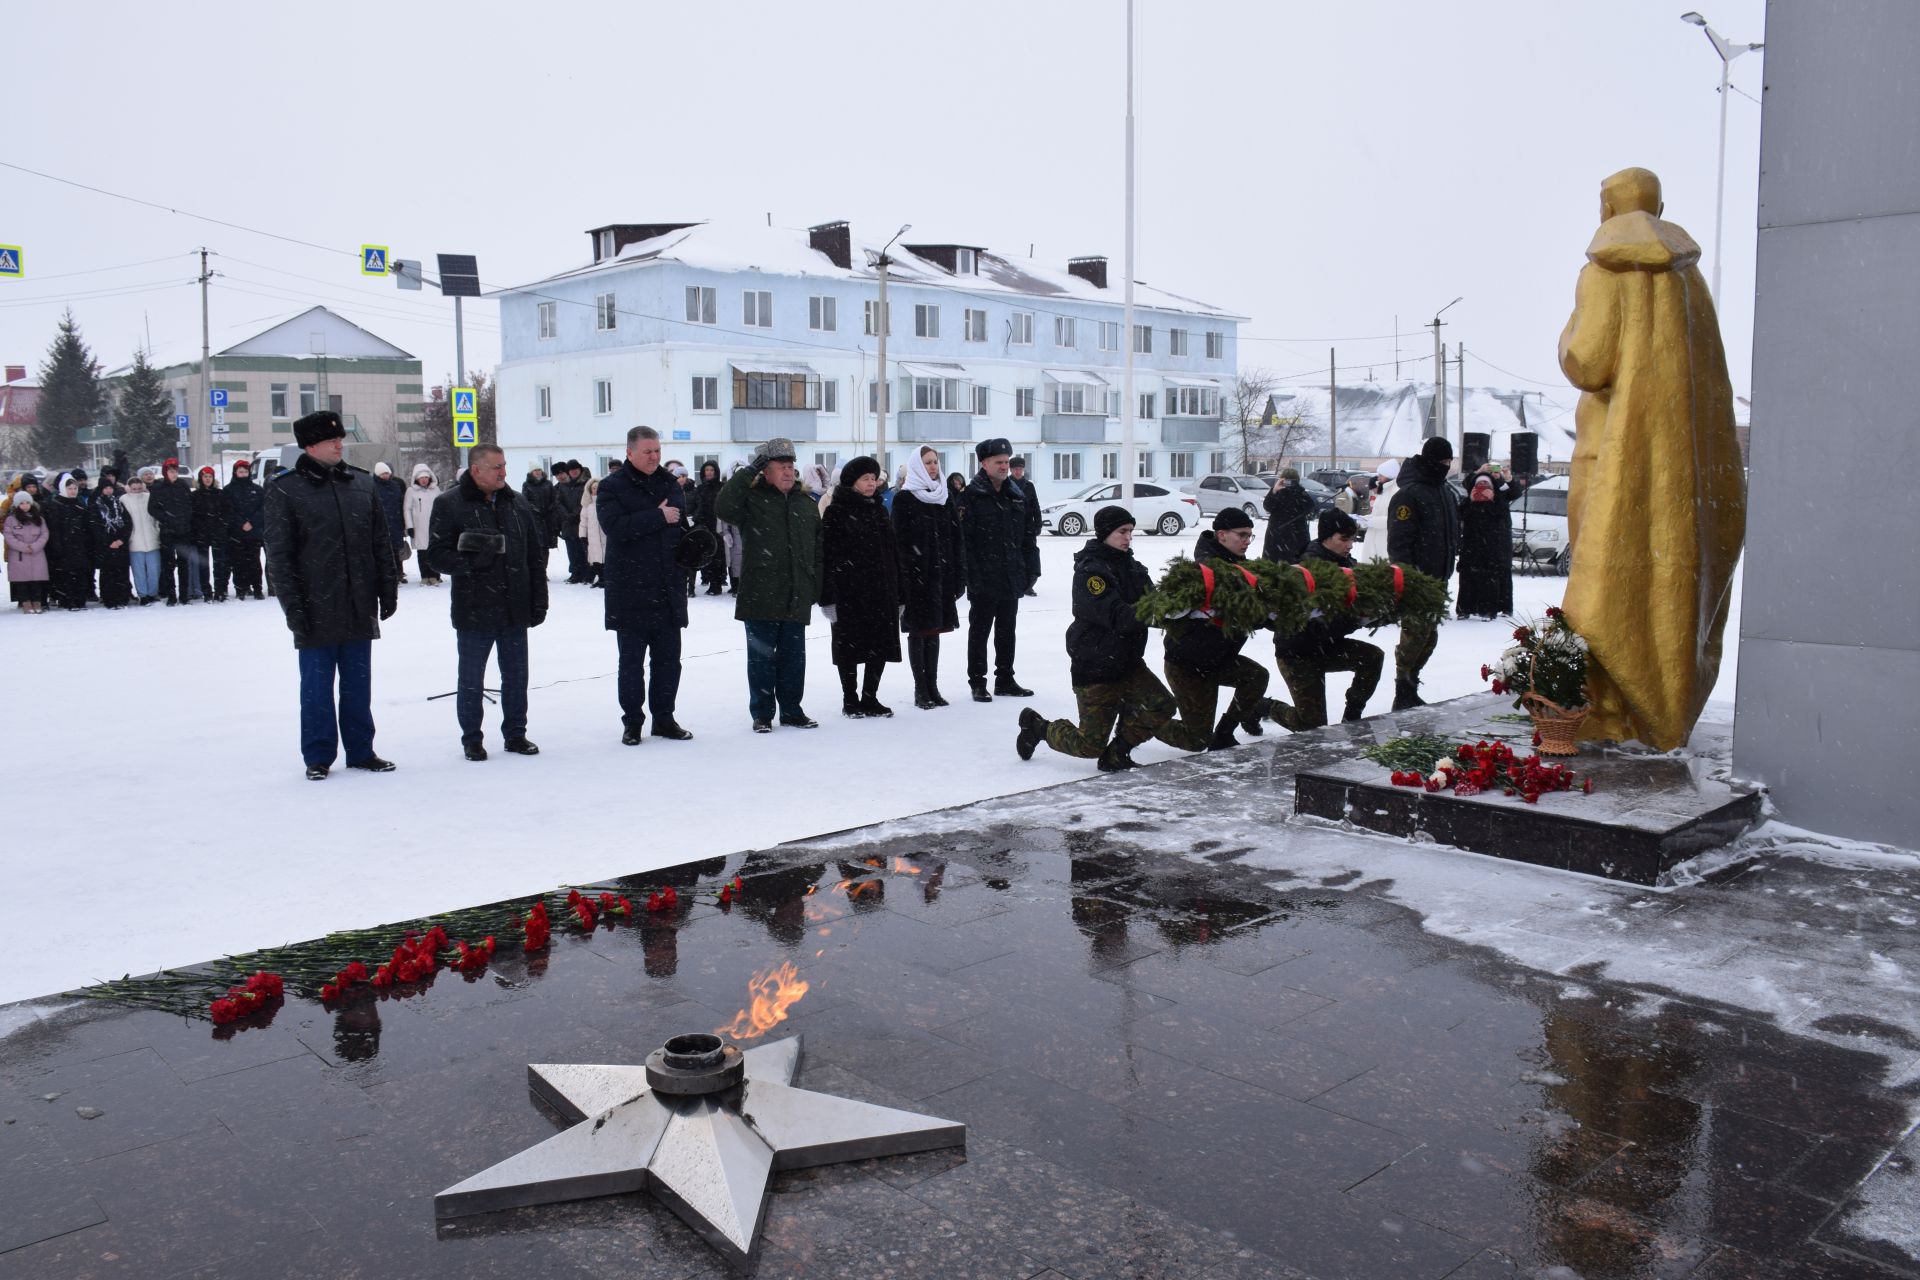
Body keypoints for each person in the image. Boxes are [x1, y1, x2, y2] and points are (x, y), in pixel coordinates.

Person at [1558, 165, 1746, 750]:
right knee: (1665, 574)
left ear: (1607, 210)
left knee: (1605, 580)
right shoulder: (1689, 283)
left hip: (1608, 454)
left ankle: (1609, 710)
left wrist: (1564, 337)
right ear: (1659, 210)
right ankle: (1659, 708)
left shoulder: (1602, 271)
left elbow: (1587, 362)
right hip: (1673, 467)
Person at [1014, 506, 1210, 771]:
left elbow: (1153, 602)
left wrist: (1187, 610)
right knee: (1089, 745)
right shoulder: (1091, 573)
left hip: (1128, 662)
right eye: (1122, 531)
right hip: (1096, 665)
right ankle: (1039, 727)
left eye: (1130, 531)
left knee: (1162, 705)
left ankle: (1118, 751)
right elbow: (1117, 615)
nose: (1128, 537)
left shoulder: (1133, 567)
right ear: (1105, 533)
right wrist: (1156, 609)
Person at [263, 410, 400, 781]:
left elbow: (379, 543)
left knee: (358, 685)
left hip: (358, 603)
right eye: (331, 440)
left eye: (340, 439)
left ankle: (361, 750)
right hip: (314, 605)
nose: (340, 444)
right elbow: (280, 556)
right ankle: (319, 755)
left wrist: (387, 589)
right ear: (310, 446)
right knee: (316, 688)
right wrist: (293, 607)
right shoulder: (286, 489)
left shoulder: (361, 484)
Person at [427, 444, 548, 761]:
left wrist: (539, 600)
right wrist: (471, 562)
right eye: (496, 467)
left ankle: (516, 734)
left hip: (514, 606)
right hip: (474, 608)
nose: (503, 472)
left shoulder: (516, 502)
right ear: (476, 469)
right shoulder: (449, 504)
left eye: (504, 466)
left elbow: (535, 556)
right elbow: (436, 555)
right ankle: (472, 740)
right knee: (471, 680)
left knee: (516, 676)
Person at [1162, 508, 1297, 749]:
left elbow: (1257, 616)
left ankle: (1224, 732)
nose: (1247, 541)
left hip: (1220, 659)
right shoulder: (1200, 572)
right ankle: (1139, 717)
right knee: (1196, 740)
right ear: (1222, 534)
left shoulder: (1242, 569)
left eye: (1250, 536)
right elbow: (1164, 610)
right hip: (1187, 664)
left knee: (1255, 676)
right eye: (1242, 535)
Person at [714, 436, 823, 732]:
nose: (788, 471)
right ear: (766, 470)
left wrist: (816, 586)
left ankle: (791, 710)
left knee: (793, 660)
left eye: (790, 466)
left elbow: (818, 549)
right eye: (780, 466)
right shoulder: (752, 499)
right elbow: (723, 506)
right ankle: (762, 714)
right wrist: (750, 470)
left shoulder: (805, 502)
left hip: (796, 593)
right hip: (760, 593)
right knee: (761, 659)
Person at [598, 426, 695, 744]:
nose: (654, 456)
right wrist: (656, 516)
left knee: (669, 662)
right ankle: (633, 722)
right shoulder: (612, 486)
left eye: (657, 451)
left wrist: (695, 548)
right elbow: (615, 527)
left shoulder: (670, 483)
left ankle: (664, 718)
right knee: (630, 664)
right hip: (630, 589)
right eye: (647, 451)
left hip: (667, 587)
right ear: (630, 453)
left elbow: (678, 525)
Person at [1275, 509, 1386, 727]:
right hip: (1297, 652)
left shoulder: (1346, 564)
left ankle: (1352, 716)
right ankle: (1265, 707)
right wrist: (1357, 619)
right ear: (1326, 538)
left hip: (1327, 647)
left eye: (1352, 539)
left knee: (1372, 657)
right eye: (1344, 539)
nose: (1350, 545)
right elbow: (1317, 626)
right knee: (1311, 727)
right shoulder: (1307, 571)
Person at [819, 457, 902, 718]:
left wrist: (899, 593)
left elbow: (892, 553)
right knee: (850, 648)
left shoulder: (879, 509)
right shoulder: (836, 510)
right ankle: (850, 699)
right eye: (865, 478)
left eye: (873, 478)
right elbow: (827, 556)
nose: (871, 483)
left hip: (880, 590)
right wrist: (828, 597)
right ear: (852, 482)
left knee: (879, 644)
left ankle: (870, 697)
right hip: (849, 592)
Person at [1384, 436, 1462, 709]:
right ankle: (1402, 689)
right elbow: (1399, 542)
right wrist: (1407, 577)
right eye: (1441, 461)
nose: (1445, 466)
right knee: (1414, 636)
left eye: (1448, 461)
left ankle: (1411, 684)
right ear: (1429, 460)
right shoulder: (1409, 494)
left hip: (1438, 577)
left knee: (1428, 637)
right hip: (1417, 579)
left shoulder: (1444, 491)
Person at [959, 438, 1034, 701]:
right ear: (984, 463)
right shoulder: (971, 496)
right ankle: (978, 682)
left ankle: (1005, 679)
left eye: (1006, 462)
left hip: (1010, 574)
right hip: (984, 576)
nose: (1004, 466)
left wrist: (1030, 569)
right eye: (999, 462)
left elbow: (1026, 536)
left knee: (1007, 630)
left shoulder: (1016, 493)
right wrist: (972, 576)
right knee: (979, 631)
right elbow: (965, 542)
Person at [892, 444, 965, 709]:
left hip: (940, 577)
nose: (933, 467)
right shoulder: (905, 499)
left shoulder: (944, 496)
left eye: (935, 462)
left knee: (934, 631)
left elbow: (956, 539)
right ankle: (920, 689)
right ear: (916, 467)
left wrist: (958, 575)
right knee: (918, 632)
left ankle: (933, 686)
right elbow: (899, 543)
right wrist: (905, 579)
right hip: (916, 578)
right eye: (927, 463)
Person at [1456, 466, 1522, 619]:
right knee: (1468, 577)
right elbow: (1461, 513)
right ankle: (1465, 609)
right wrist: (1477, 473)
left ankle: (1491, 609)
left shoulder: (1500, 498)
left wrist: (1505, 479)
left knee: (1493, 577)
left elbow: (1514, 493)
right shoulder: (1468, 501)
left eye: (1486, 485)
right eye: (1480, 485)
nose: (1483, 488)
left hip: (1495, 545)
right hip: (1472, 545)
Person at [148, 458, 195, 604]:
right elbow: (152, 508)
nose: (173, 474)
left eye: (175, 471)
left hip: (183, 530)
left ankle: (184, 594)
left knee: (184, 564)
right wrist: (167, 518)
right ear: (165, 472)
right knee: (168, 565)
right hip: (168, 531)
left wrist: (185, 519)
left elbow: (190, 505)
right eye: (170, 471)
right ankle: (171, 594)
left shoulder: (183, 485)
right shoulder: (158, 487)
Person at [45, 474, 92, 610]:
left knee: (81, 573)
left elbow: (86, 525)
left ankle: (81, 600)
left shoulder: (79, 503)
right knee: (67, 575)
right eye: (70, 488)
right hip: (65, 546)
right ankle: (68, 600)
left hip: (80, 546)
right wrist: (58, 546)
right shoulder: (57, 504)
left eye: (75, 488)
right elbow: (54, 528)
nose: (73, 491)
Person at [88, 474, 133, 608]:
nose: (108, 490)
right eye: (106, 488)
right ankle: (109, 599)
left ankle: (123, 597)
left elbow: (127, 523)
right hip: (105, 546)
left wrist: (121, 539)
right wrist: (109, 541)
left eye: (110, 488)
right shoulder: (96, 505)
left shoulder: (119, 503)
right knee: (108, 573)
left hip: (121, 544)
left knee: (122, 571)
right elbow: (95, 527)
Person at [224, 459, 266, 599]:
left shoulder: (257, 490)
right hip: (236, 533)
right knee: (238, 562)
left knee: (254, 561)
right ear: (235, 472)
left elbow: (262, 508)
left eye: (245, 471)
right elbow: (229, 510)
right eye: (240, 471)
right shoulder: (228, 490)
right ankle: (241, 589)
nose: (243, 474)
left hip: (254, 533)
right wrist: (241, 522)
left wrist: (252, 522)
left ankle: (257, 588)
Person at [4, 490, 50, 613]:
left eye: (27, 503)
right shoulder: (11, 520)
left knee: (36, 580)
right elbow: (9, 536)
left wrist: (35, 546)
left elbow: (44, 534)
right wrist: (23, 547)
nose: (25, 505)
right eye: (22, 503)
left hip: (37, 553)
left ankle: (37, 601)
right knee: (22, 581)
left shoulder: (38, 519)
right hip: (19, 555)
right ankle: (25, 602)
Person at [122, 475, 162, 604]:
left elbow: (156, 517)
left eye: (139, 488)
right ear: (129, 488)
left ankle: (152, 593)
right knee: (138, 571)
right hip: (135, 541)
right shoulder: (123, 500)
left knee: (154, 570)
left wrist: (157, 531)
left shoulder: (149, 497)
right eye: (134, 489)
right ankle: (142, 594)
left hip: (152, 539)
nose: (137, 491)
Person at [1261, 468, 1315, 563]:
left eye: (1292, 481)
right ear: (1281, 480)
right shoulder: (1277, 492)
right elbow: (1267, 506)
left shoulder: (1301, 493)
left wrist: (1298, 490)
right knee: (1273, 564)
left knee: (1296, 565)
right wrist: (1274, 490)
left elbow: (1310, 507)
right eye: (1286, 481)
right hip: (1278, 534)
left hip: (1296, 534)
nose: (1289, 484)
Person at [1007, 455, 1043, 597]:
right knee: (1015, 557)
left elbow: (1035, 505)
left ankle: (1029, 584)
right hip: (1012, 528)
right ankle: (1016, 584)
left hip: (1028, 528)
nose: (1018, 471)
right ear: (1011, 469)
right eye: (1015, 469)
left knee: (1031, 556)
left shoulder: (1029, 486)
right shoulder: (1006, 484)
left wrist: (1038, 523)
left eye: (1020, 469)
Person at [190, 466, 227, 601]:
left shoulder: (220, 494)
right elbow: (193, 516)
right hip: (201, 535)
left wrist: (221, 526)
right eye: (205, 476)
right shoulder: (194, 495)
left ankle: (220, 590)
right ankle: (207, 591)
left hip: (218, 534)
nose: (207, 479)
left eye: (210, 476)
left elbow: (226, 513)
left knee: (220, 564)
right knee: (203, 564)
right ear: (201, 478)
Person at [550, 459, 589, 584]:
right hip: (567, 522)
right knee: (571, 550)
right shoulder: (562, 486)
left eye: (576, 470)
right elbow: (558, 502)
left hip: (582, 521)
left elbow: (586, 501)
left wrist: (575, 514)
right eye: (571, 470)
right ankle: (575, 573)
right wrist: (566, 515)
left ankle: (585, 572)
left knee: (583, 549)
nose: (574, 472)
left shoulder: (585, 484)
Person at [371, 462, 410, 586]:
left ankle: (398, 573)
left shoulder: (395, 485)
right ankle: (385, 575)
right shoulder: (372, 486)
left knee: (396, 550)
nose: (385, 476)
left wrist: (403, 523)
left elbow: (401, 504)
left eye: (387, 473)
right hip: (380, 523)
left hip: (396, 522)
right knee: (383, 551)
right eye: (383, 473)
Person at [404, 463, 441, 586]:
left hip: (434, 526)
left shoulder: (436, 490)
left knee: (435, 551)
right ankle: (425, 576)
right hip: (418, 528)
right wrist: (409, 526)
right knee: (422, 553)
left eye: (426, 477)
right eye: (421, 478)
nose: (424, 480)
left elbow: (442, 507)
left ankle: (435, 575)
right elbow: (407, 509)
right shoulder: (411, 491)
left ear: (430, 478)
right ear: (416, 479)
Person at [691, 460, 726, 594]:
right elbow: (697, 506)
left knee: (719, 556)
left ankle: (717, 583)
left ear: (716, 472)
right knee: (708, 555)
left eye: (712, 470)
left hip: (718, 525)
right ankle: (710, 581)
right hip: (704, 526)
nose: (709, 472)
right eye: (707, 470)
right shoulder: (700, 488)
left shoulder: (721, 487)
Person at [1360, 461, 1400, 564]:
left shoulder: (1396, 492)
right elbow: (1376, 515)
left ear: (1389, 475)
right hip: (1373, 538)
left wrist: (1373, 521)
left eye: (1381, 475)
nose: (1378, 477)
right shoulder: (1383, 491)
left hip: (1384, 540)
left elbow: (1394, 519)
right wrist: (1365, 519)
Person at [521, 465, 558, 550]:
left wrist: (550, 508)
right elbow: (525, 501)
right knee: (536, 546)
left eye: (539, 470)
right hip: (535, 519)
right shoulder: (527, 485)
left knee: (546, 546)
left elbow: (555, 499)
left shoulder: (548, 484)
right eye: (535, 470)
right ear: (531, 472)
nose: (537, 472)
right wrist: (535, 510)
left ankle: (544, 563)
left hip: (548, 519)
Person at [579, 476, 606, 586]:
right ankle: (600, 578)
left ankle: (606, 579)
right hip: (593, 536)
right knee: (595, 559)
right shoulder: (587, 505)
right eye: (594, 488)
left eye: (598, 487)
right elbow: (583, 521)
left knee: (605, 558)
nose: (596, 490)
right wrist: (582, 535)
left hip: (605, 536)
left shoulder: (606, 503)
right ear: (590, 489)